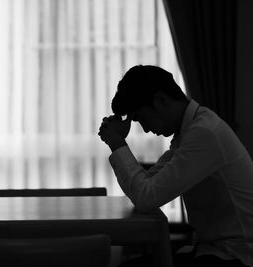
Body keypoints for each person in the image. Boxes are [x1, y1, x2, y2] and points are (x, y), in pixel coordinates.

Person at [98, 65, 253, 267]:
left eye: (141, 118)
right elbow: (146, 186)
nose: (145, 129)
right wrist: (117, 144)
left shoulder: (204, 133)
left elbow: (146, 197)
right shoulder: (191, 130)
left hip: (237, 256)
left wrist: (117, 143)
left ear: (161, 101)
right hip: (217, 250)